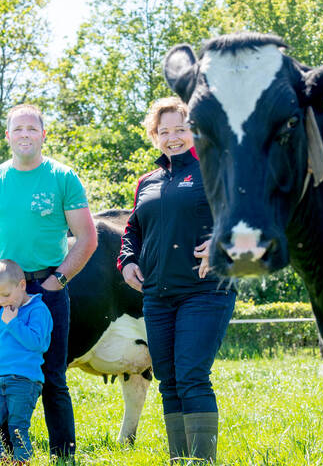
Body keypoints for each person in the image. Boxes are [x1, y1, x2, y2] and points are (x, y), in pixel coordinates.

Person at [0, 103, 98, 460]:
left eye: (31, 128)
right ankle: (7, 457)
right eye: (18, 129)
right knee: (4, 377)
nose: (25, 134)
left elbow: (87, 237)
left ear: (43, 135)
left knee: (54, 377)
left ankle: (63, 455)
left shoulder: (62, 177)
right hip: (1, 294)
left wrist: (57, 281)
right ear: (8, 136)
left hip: (46, 292)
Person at [117, 96, 236, 463]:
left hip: (205, 290)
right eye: (164, 131)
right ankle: (179, 459)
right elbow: (132, 229)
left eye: (180, 130)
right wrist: (126, 261)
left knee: (191, 375)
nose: (172, 138)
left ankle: (202, 461)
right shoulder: (146, 182)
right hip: (157, 295)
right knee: (168, 379)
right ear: (154, 136)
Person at [0, 259, 52, 463]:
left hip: (24, 380)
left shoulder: (38, 310)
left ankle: (22, 461)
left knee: (17, 430)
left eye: (5, 295)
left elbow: (38, 343)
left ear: (22, 285)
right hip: (0, 380)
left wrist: (14, 322)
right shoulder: (5, 312)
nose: (1, 301)